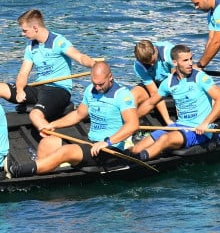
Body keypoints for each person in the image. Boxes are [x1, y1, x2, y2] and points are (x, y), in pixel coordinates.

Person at [7, 62, 138, 177]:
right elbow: (78, 114)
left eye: (101, 84)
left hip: (110, 150)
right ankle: (41, 173)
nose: (97, 88)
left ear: (110, 77)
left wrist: (106, 142)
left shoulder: (122, 95)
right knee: (48, 142)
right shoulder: (90, 90)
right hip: (92, 144)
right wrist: (52, 125)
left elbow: (132, 125)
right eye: (94, 83)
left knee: (66, 151)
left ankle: (19, 171)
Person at [0, 9, 97, 131]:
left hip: (58, 90)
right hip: (39, 88)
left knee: (35, 115)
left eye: (25, 30)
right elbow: (23, 74)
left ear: (35, 28)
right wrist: (19, 90)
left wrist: (94, 65)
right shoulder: (31, 47)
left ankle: (49, 137)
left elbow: (80, 57)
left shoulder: (58, 41)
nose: (22, 34)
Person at [132, 44, 220, 162]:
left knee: (164, 139)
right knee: (137, 148)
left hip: (199, 130)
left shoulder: (200, 78)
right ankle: (132, 156)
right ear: (175, 62)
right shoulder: (168, 83)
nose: (190, 63)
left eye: (191, 59)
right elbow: (150, 103)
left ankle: (138, 160)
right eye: (185, 60)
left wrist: (205, 123)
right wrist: (132, 121)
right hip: (179, 125)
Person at [131, 39, 174, 123]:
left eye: (153, 61)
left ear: (155, 49)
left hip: (173, 82)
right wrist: (168, 120)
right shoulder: (138, 66)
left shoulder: (168, 52)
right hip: (156, 84)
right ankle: (132, 125)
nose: (152, 65)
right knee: (133, 95)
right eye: (148, 64)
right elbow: (154, 93)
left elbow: (177, 81)